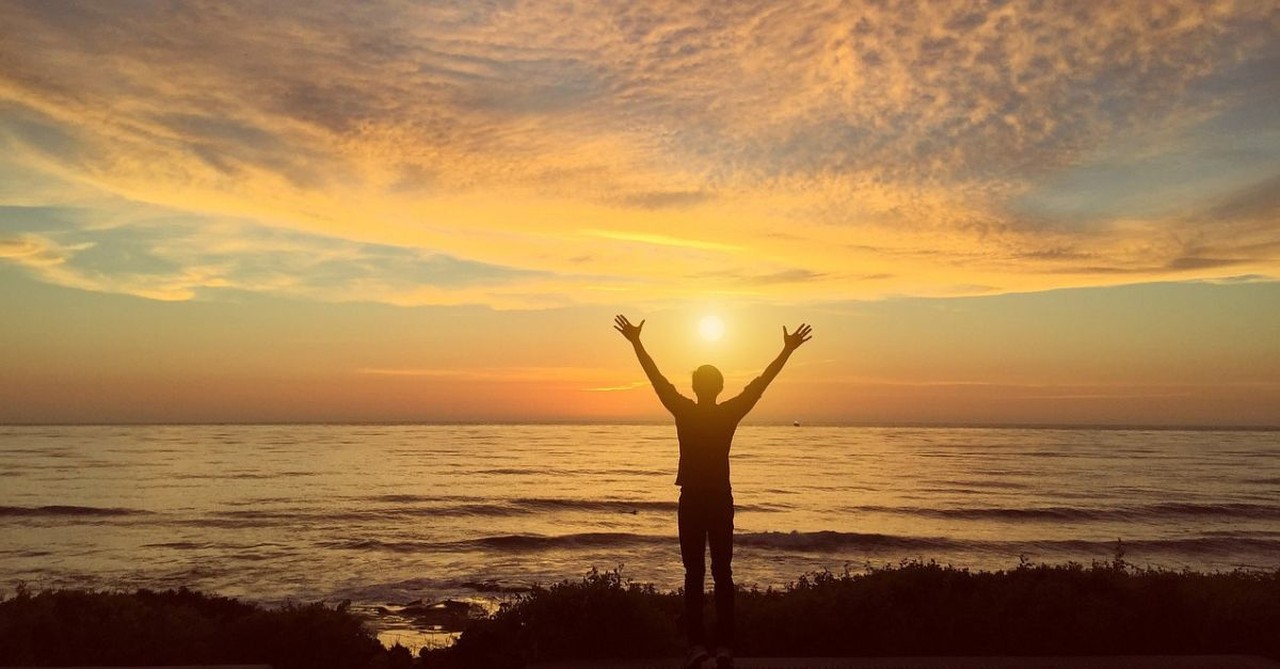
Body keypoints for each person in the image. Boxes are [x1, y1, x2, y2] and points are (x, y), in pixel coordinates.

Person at [613, 314, 812, 669]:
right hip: (719, 498)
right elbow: (760, 383)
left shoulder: (684, 410)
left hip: (692, 499)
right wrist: (786, 351)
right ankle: (723, 647)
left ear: (695, 388)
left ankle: (698, 647)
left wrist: (636, 343)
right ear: (719, 388)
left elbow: (656, 379)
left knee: (695, 573)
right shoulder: (729, 412)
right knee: (723, 572)